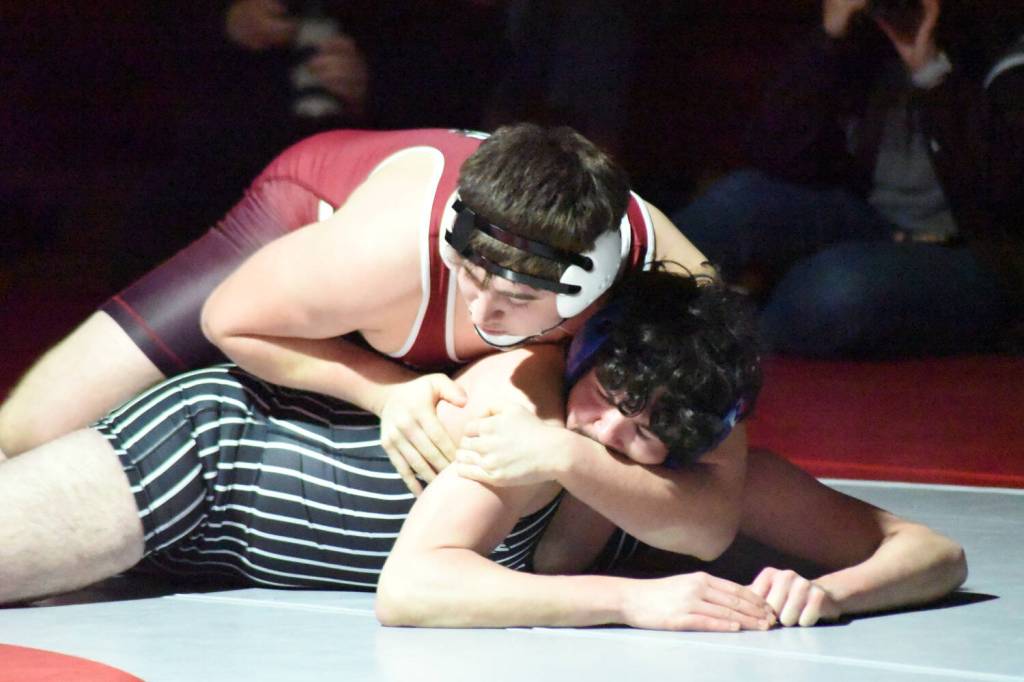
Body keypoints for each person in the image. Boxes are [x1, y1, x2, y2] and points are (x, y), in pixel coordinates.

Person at [0, 271, 965, 630]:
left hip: (207, 564)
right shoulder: (524, 400)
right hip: (207, 463)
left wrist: (827, 595)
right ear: (583, 359)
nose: (616, 441)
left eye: (652, 436)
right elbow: (413, 590)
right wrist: (639, 600)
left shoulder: (703, 475)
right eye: (611, 401)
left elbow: (932, 551)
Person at [0, 125, 729, 558]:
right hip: (307, 222)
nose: (484, 311)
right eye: (471, 275)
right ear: (453, 240)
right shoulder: (387, 247)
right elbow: (232, 319)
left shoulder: (675, 292)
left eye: (519, 298)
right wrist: (382, 390)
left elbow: (713, 519)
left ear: (592, 293)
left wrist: (578, 483)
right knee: (30, 429)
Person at [671, 0, 1024, 358]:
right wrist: (829, 39)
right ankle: (629, 310)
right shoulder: (871, 36)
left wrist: (931, 70)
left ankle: (713, 355)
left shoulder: (1003, 46)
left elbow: (1003, 195)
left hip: (982, 254)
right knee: (737, 201)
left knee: (833, 286)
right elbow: (774, 155)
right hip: (873, 218)